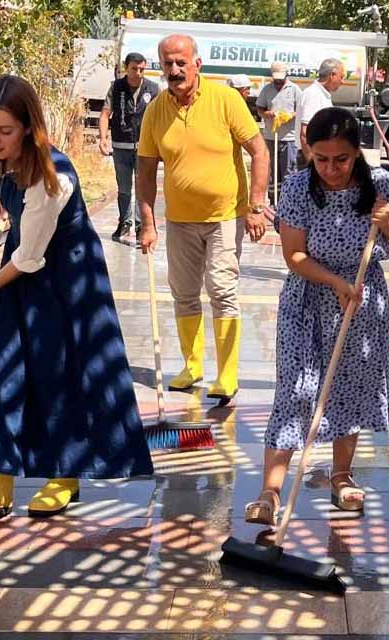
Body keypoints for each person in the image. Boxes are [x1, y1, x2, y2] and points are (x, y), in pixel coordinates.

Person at [0, 75, 153, 521]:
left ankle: (64, 475)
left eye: (5, 130)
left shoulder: (53, 177)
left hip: (67, 283)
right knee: (4, 371)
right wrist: (1, 204)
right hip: (29, 274)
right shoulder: (6, 162)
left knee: (61, 377)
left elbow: (28, 257)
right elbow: (17, 215)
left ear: (28, 127)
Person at [244, 108, 389, 523]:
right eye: (321, 159)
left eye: (340, 159)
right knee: (295, 390)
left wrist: (388, 221)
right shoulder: (299, 187)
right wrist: (335, 283)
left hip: (362, 301)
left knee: (349, 387)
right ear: (309, 151)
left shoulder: (379, 184)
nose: (331, 169)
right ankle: (270, 492)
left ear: (357, 152)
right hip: (309, 298)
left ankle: (342, 476)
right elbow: (294, 255)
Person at [137, 34, 270, 404]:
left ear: (198, 63)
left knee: (222, 290)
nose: (175, 70)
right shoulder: (156, 111)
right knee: (183, 293)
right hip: (179, 219)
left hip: (225, 216)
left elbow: (259, 151)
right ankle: (192, 366)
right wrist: (148, 222)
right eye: (168, 64)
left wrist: (255, 206)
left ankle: (227, 374)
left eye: (181, 63)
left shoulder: (225, 100)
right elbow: (145, 171)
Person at [99, 52, 159, 243]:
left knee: (143, 186)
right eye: (134, 68)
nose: (138, 73)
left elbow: (160, 118)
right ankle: (125, 223)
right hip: (121, 144)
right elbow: (105, 113)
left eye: (142, 69)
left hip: (145, 148)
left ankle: (143, 225)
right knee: (124, 188)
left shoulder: (153, 89)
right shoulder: (116, 87)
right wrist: (103, 138)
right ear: (126, 68)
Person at [256, 61, 302, 194]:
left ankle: (288, 198)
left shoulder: (294, 89)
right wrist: (266, 113)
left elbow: (300, 110)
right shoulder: (267, 89)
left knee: (289, 170)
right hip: (271, 136)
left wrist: (289, 115)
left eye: (280, 80)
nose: (278, 82)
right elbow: (260, 108)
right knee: (272, 170)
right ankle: (273, 198)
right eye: (276, 80)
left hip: (289, 137)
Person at [296, 58, 343, 166]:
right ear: (332, 75)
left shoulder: (321, 95)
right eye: (341, 77)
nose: (342, 81)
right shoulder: (314, 95)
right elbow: (305, 133)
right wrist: (313, 165)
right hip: (313, 158)